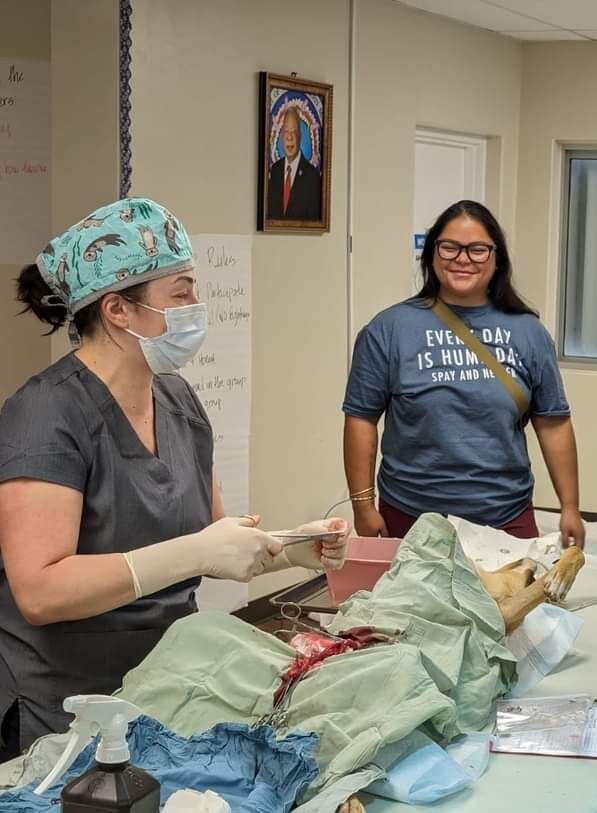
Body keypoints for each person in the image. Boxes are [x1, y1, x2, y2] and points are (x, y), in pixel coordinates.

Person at [0, 198, 347, 757]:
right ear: (117, 309)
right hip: (65, 704)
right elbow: (40, 591)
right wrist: (196, 553)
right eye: (181, 294)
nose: (196, 307)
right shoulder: (45, 416)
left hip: (168, 682)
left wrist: (289, 548)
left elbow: (209, 537)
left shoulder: (177, 398)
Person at [343, 199, 585, 548]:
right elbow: (360, 419)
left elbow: (553, 422)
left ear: (496, 257)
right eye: (450, 247)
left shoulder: (528, 332)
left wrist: (570, 507)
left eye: (477, 250)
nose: (462, 259)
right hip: (411, 515)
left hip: (505, 514)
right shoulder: (389, 329)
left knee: (508, 604)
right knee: (412, 605)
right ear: (431, 254)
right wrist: (362, 506)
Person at [267, 106, 322, 220]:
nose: (290, 137)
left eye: (294, 132)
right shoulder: (275, 170)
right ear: (282, 136)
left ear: (300, 136)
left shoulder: (312, 176)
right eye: (286, 132)